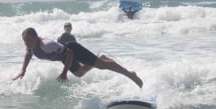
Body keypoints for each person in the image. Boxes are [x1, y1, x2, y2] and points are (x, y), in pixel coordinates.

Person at [13, 27, 143, 88]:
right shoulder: (31, 46)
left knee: (103, 66)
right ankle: (100, 58)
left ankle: (130, 74)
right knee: (80, 73)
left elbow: (69, 53)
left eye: (28, 40)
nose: (27, 43)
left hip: (72, 49)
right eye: (25, 41)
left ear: (36, 37)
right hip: (63, 56)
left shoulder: (47, 45)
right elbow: (28, 54)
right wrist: (23, 70)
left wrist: (64, 72)